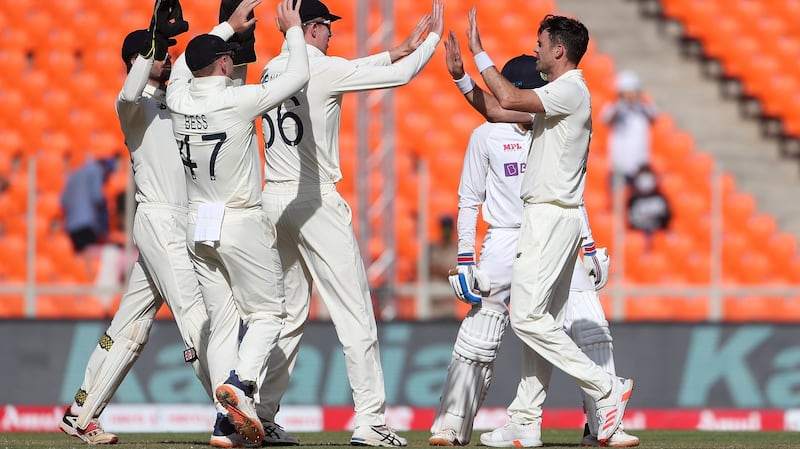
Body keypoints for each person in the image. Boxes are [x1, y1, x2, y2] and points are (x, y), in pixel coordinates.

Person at [441, 10, 634, 447]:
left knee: (527, 320)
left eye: (541, 43)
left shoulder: (569, 90)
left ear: (559, 51)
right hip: (553, 217)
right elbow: (496, 109)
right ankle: (525, 421)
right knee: (542, 319)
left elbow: (508, 98)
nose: (535, 50)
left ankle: (606, 389)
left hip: (549, 217)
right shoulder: (560, 95)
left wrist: (478, 51)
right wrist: (461, 80)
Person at [255, 0, 443, 446]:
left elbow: (346, 67)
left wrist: (395, 48)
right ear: (312, 28)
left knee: (285, 315)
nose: (331, 35)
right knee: (356, 314)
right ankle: (371, 421)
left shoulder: (268, 70)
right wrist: (432, 40)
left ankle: (261, 414)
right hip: (314, 200)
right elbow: (396, 78)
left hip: (272, 201)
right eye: (326, 28)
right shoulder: (323, 71)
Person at [58, 0, 222, 444]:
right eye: (161, 51)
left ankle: (81, 412)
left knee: (129, 329)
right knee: (195, 314)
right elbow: (130, 92)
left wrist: (228, 24)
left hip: (178, 223)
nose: (170, 56)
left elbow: (201, 60)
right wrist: (151, 40)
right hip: (161, 222)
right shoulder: (134, 106)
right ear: (139, 59)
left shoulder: (173, 99)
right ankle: (231, 412)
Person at [166, 0, 309, 444]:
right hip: (239, 219)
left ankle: (224, 424)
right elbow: (299, 76)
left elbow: (181, 71)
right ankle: (241, 384)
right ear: (225, 63)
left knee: (223, 322)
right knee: (269, 313)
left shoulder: (176, 98)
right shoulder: (237, 100)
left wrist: (226, 27)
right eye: (228, 59)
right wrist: (293, 31)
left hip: (198, 222)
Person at [601, 70, 658, 186]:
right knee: (619, 193)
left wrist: (640, 102)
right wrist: (620, 102)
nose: (630, 95)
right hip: (619, 162)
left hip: (640, 161)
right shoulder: (614, 107)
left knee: (639, 195)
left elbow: (654, 116)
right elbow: (606, 119)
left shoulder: (643, 107)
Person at [60, 156, 115, 275]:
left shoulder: (75, 174)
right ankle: (89, 279)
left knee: (79, 258)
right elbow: (97, 197)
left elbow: (63, 200)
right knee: (90, 257)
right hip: (86, 222)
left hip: (71, 224)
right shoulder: (96, 171)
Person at [627, 164, 671, 241]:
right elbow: (631, 221)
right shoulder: (633, 200)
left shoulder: (660, 198)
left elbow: (667, 219)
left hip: (658, 236)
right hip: (639, 237)